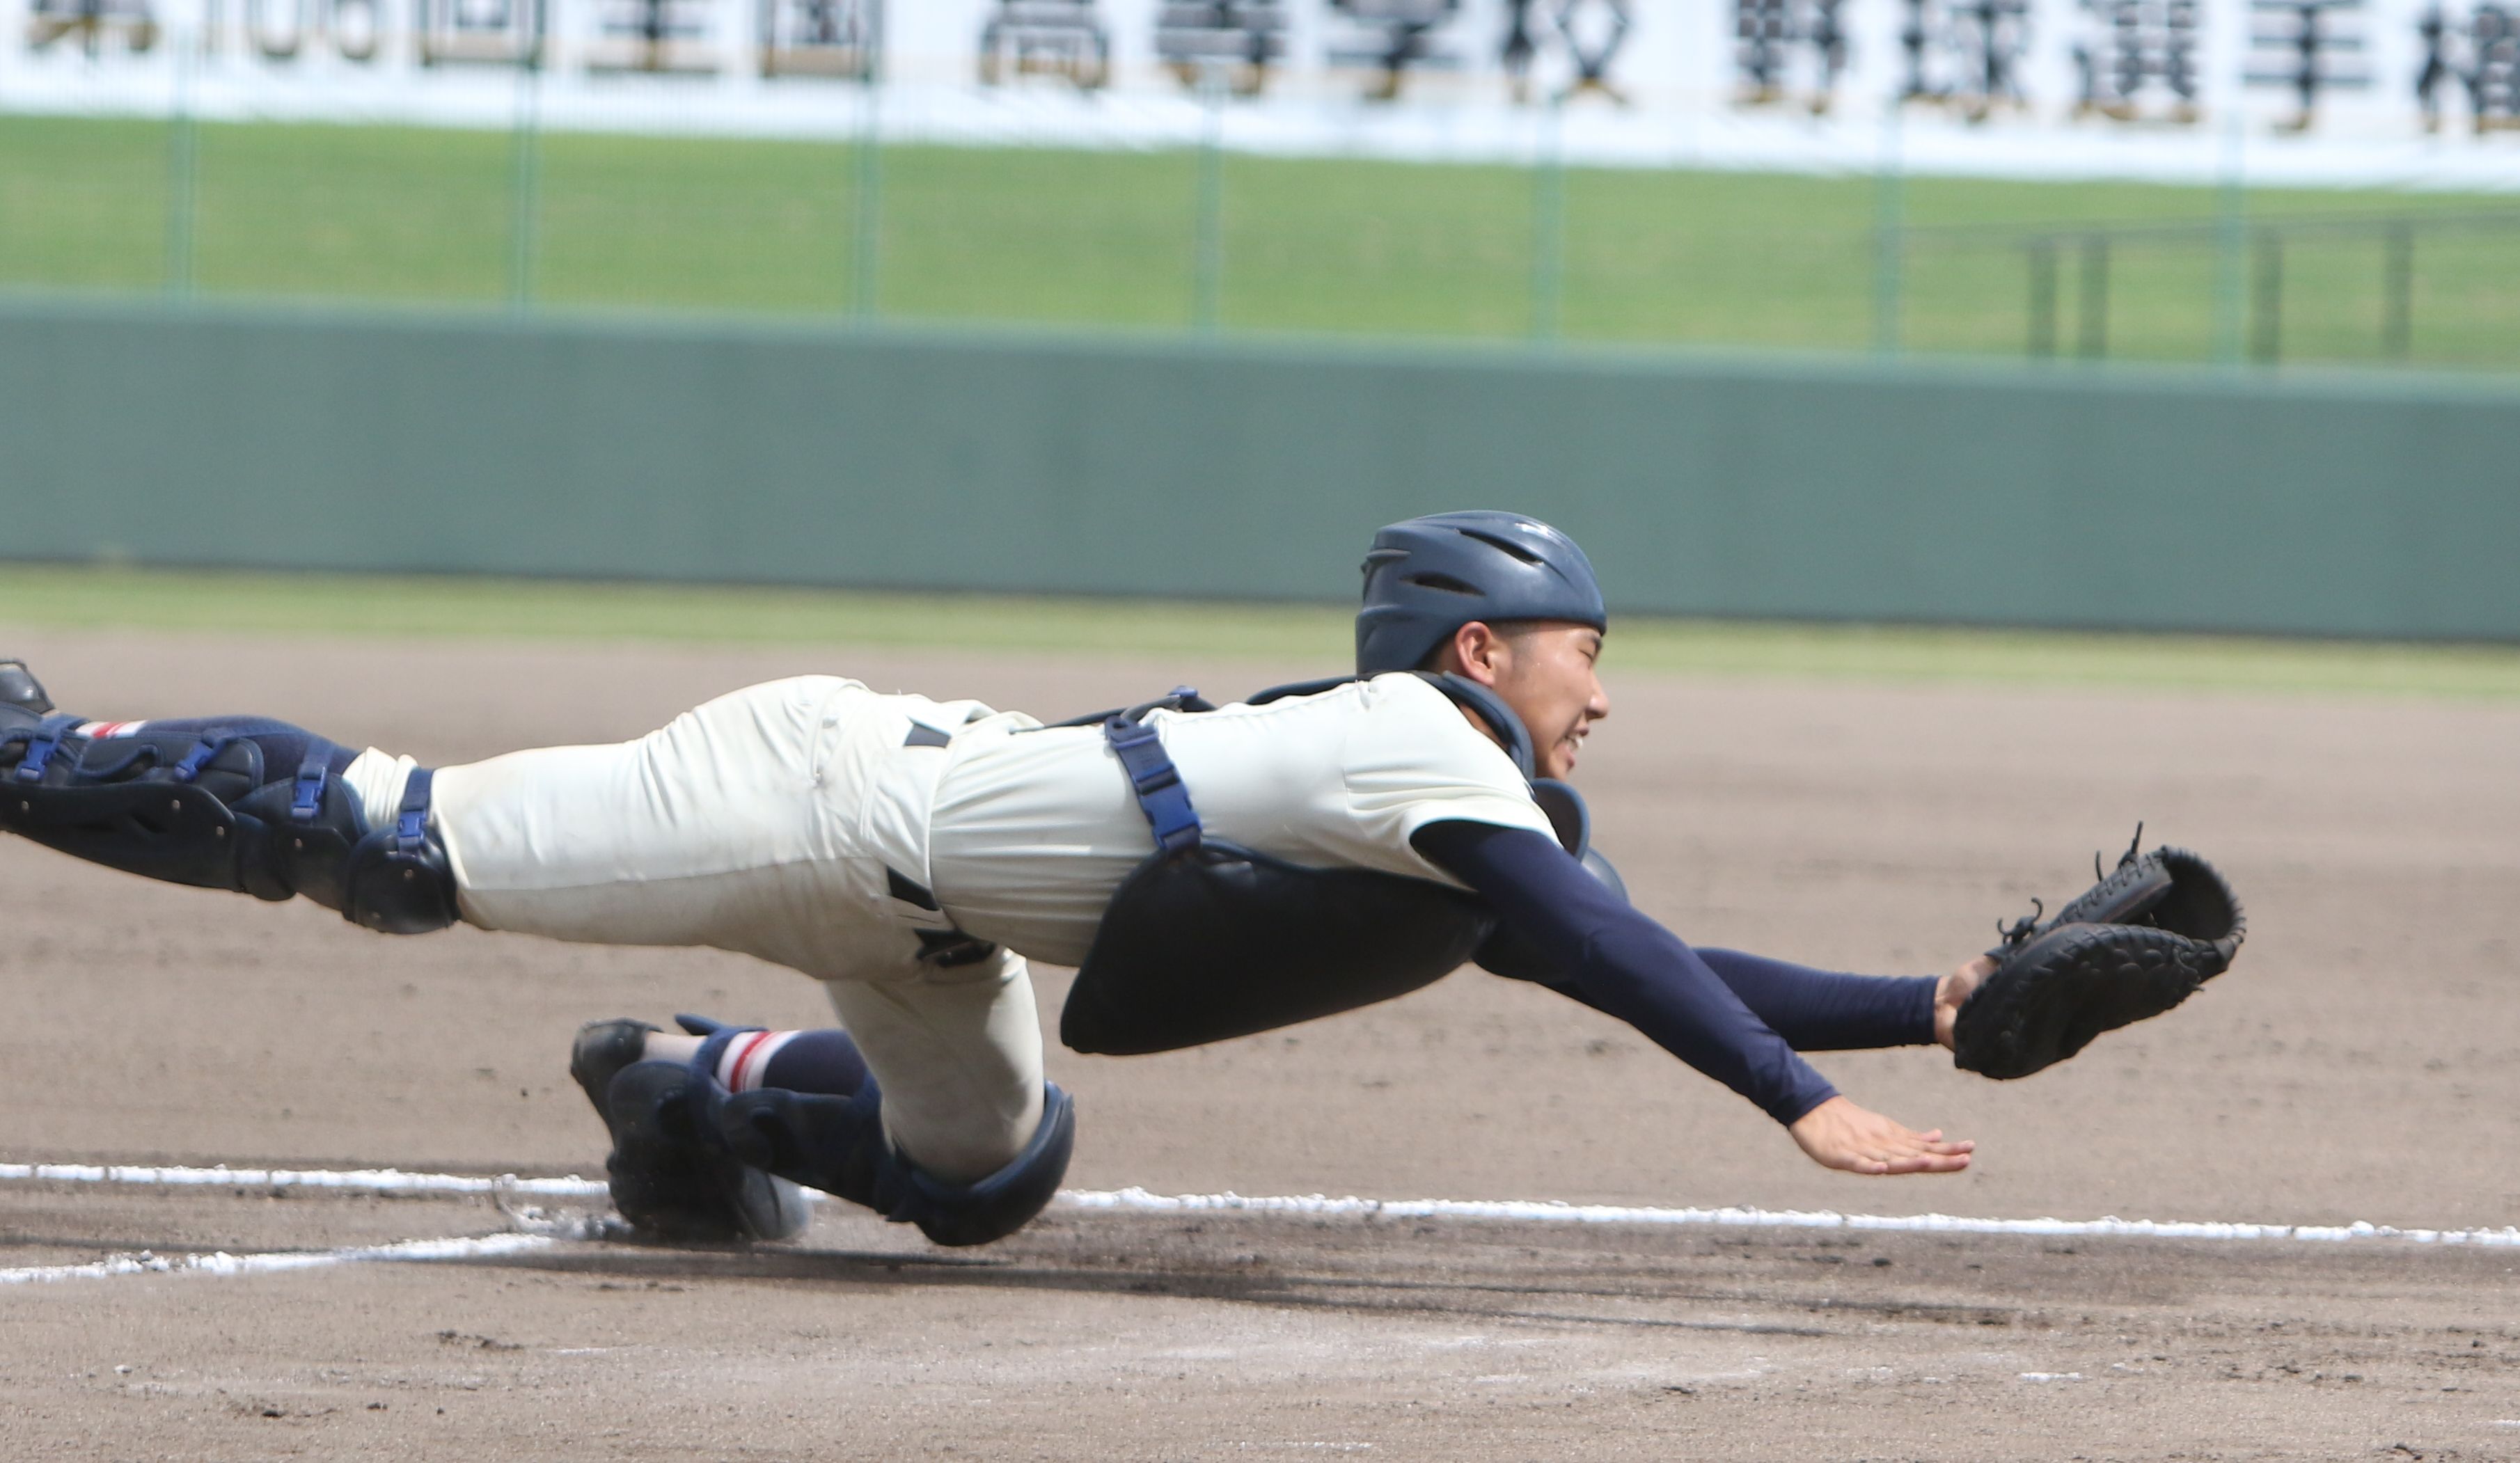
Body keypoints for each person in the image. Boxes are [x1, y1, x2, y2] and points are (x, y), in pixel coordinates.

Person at [0, 512, 1994, 1250]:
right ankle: (25, 748)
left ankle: (687, 1089)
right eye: (1584, 655)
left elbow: (1621, 942)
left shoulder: (1438, 793)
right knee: (390, 842)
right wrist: (1793, 1101)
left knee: (980, 1177)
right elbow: (1595, 939)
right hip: (808, 800)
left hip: (918, 927)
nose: (1601, 698)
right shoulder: (1421, 748)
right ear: (1482, 653)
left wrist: (1933, 1011)